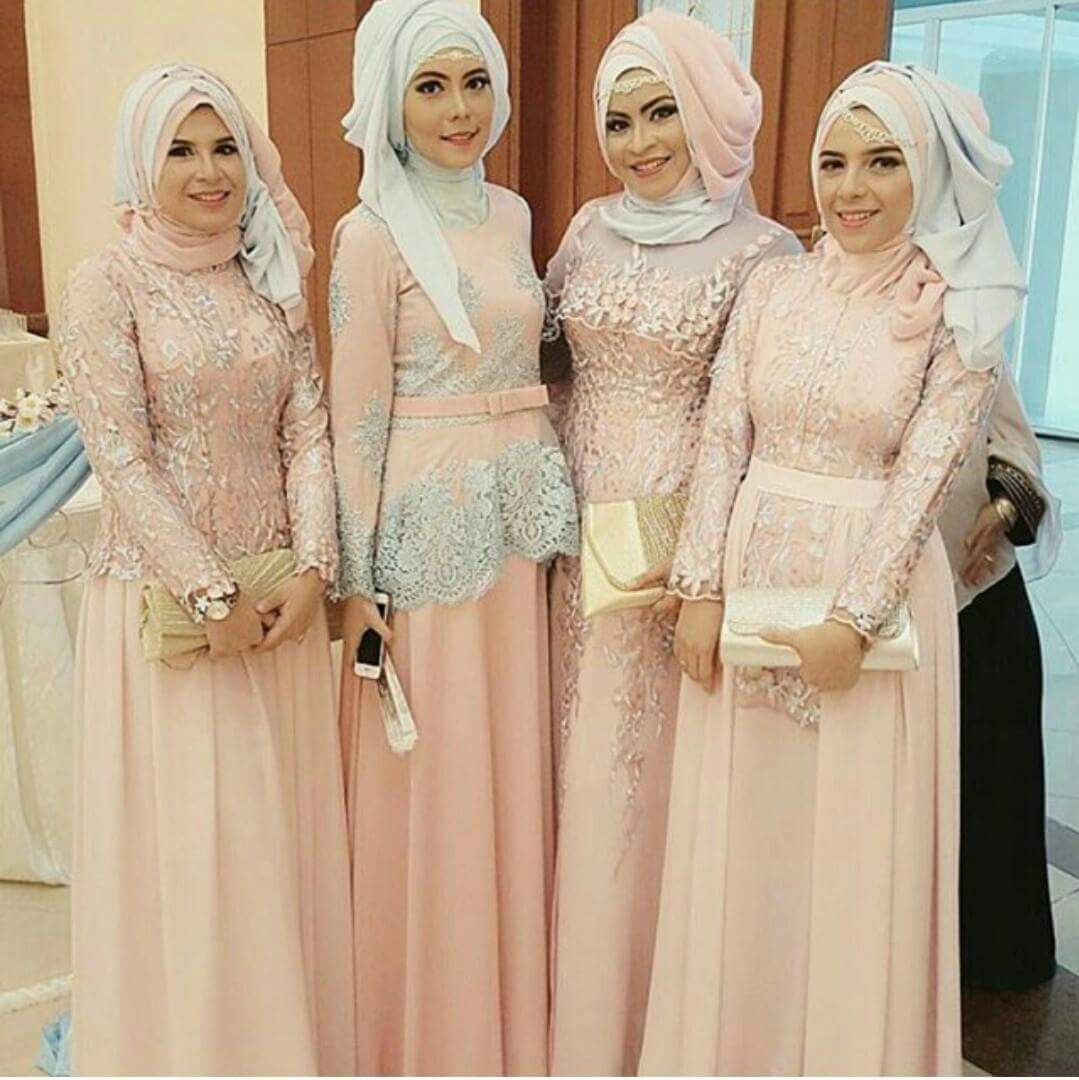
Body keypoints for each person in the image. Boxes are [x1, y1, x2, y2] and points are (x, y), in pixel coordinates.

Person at [639, 62, 1023, 1074]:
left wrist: (851, 622)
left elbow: (925, 474)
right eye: (834, 161)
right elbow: (723, 435)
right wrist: (699, 588)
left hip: (873, 600)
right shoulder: (773, 286)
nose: (851, 188)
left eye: (882, 162)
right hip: (747, 585)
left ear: (924, 171)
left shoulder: (959, 310)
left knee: (850, 849)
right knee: (745, 840)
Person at [57, 64, 353, 1075]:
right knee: (194, 854)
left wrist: (311, 570)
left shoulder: (267, 275)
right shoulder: (105, 284)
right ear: (142, 163)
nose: (209, 170)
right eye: (180, 149)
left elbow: (307, 433)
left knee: (272, 850)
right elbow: (121, 454)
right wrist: (209, 592)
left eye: (225, 146)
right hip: (169, 614)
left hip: (276, 610)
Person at [543, 11, 799, 1075]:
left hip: (678, 550)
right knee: (569, 761)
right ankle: (564, 1009)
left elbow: (757, 427)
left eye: (660, 112)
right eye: (618, 120)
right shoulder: (584, 230)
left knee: (650, 777)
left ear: (705, 112)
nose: (639, 141)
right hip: (572, 542)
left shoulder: (764, 254)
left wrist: (704, 574)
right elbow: (544, 363)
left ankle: (647, 1025)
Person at [329, 0, 578, 1073]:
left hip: (517, 530)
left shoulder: (514, 214)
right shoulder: (368, 233)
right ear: (390, 101)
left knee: (508, 765)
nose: (457, 109)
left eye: (473, 82)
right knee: (437, 777)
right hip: (426, 536)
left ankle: (511, 1013)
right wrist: (355, 581)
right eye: (429, 87)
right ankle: (428, 1033)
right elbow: (354, 421)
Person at [938, 367, 1061, 989]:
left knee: (989, 773)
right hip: (852, 595)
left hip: (974, 586)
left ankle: (988, 957)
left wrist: (1003, 505)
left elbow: (1015, 446)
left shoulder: (968, 331)